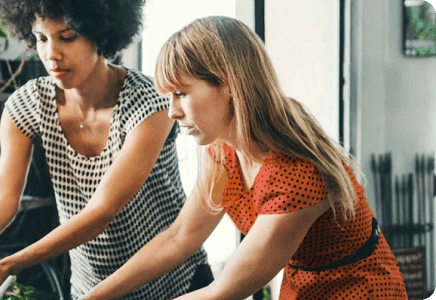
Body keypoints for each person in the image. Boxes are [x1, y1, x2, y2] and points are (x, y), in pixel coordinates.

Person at [81, 16, 409, 300]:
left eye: (181, 93)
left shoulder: (296, 176)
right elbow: (179, 238)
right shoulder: (223, 148)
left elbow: (225, 291)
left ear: (229, 84)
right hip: (301, 283)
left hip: (359, 290)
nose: (173, 112)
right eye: (169, 96)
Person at [0, 1, 213, 299]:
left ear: (100, 34)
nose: (52, 54)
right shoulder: (27, 105)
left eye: (67, 37)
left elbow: (102, 211)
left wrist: (12, 263)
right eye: (40, 38)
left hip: (177, 285)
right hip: (91, 290)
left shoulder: (150, 103)